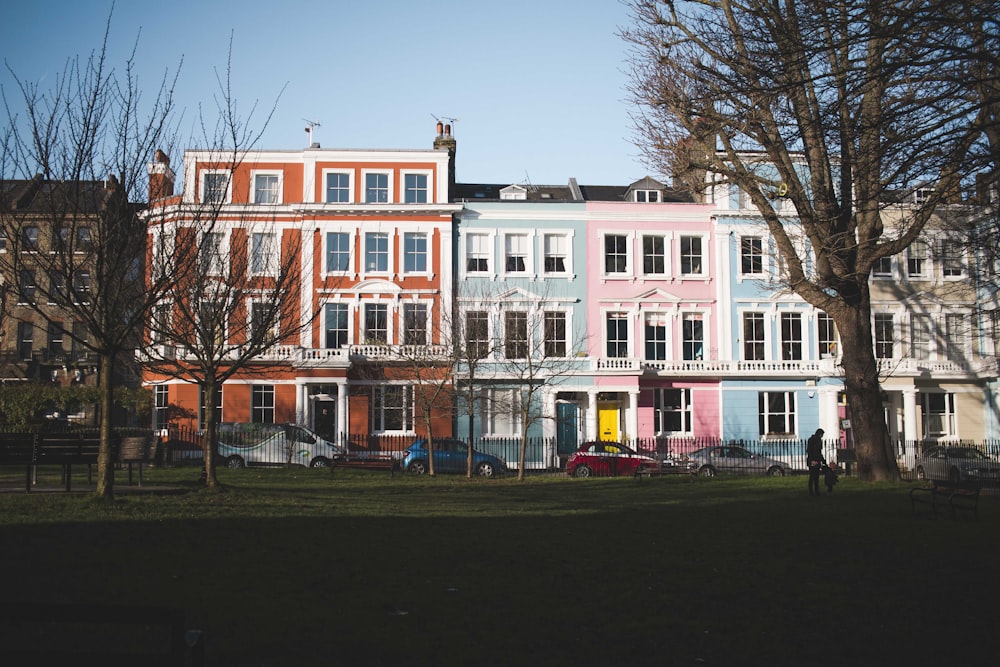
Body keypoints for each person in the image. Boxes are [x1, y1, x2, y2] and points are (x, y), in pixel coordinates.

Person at [806, 428, 825, 496]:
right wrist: (821, 460)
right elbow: (816, 452)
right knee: (814, 476)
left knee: (814, 476)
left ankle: (813, 491)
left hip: (813, 460)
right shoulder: (816, 441)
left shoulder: (811, 440)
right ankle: (814, 491)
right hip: (814, 460)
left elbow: (811, 451)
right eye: (822, 435)